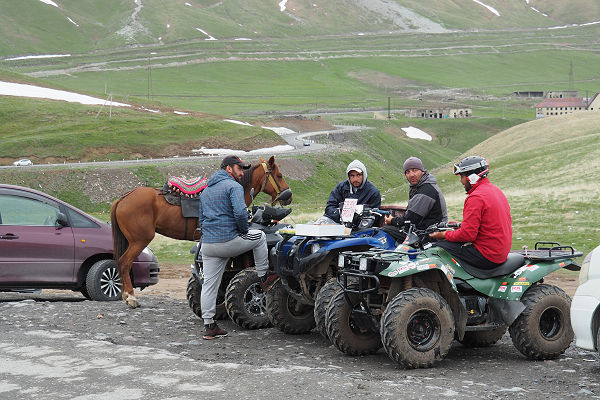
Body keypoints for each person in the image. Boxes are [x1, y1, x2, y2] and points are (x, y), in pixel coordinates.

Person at [198, 155, 279, 340]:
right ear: (229, 169)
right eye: (239, 169)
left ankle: (209, 326)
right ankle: (264, 277)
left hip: (208, 245)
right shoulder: (233, 187)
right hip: (227, 241)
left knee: (209, 285)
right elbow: (241, 213)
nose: (242, 173)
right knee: (260, 237)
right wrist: (243, 230)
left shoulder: (206, 190)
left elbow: (201, 218)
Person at [429, 156, 512, 269]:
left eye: (462, 176)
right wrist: (461, 225)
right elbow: (487, 225)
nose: (461, 181)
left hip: (487, 255)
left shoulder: (476, 197)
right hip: (499, 251)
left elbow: (468, 235)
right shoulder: (495, 190)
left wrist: (443, 234)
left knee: (437, 248)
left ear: (472, 177)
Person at [384, 157, 447, 236]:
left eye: (415, 170)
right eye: (408, 172)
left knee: (384, 231)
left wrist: (392, 221)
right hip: (424, 229)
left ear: (422, 171)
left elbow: (411, 220)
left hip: (431, 233)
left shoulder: (426, 190)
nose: (411, 175)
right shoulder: (420, 186)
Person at [317, 160, 381, 224]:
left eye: (358, 175)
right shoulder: (341, 187)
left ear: (364, 175)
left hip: (360, 229)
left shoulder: (373, 192)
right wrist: (342, 215)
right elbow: (330, 208)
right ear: (348, 176)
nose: (355, 179)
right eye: (352, 176)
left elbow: (375, 216)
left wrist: (357, 217)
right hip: (339, 224)